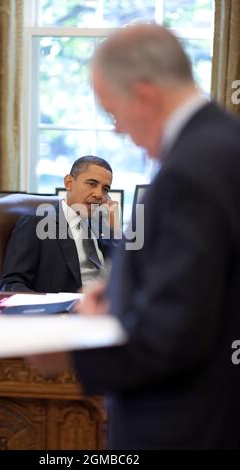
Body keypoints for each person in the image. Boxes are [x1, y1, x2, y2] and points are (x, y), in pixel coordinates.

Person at [32, 24, 240, 449]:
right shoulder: (224, 144)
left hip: (182, 423)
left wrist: (71, 350)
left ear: (144, 96)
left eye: (114, 112)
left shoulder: (189, 172)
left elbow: (174, 336)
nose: (118, 131)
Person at [0, 155, 120, 293]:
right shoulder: (36, 224)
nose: (99, 194)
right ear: (69, 182)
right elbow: (11, 285)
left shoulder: (100, 226)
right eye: (92, 183)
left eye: (105, 189)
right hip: (65, 310)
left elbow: (125, 271)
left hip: (108, 308)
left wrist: (113, 228)